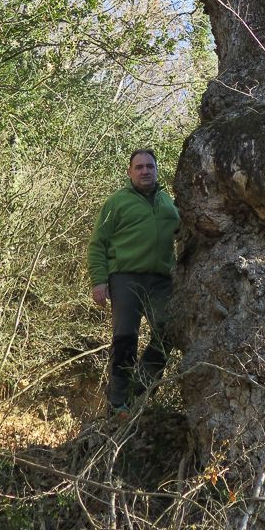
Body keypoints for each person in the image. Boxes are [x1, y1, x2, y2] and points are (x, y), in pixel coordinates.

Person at [88, 148, 180, 414]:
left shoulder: (168, 203)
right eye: (139, 167)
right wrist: (99, 281)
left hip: (161, 280)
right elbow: (98, 244)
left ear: (156, 170)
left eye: (150, 166)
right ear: (129, 172)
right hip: (125, 278)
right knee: (125, 339)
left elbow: (184, 230)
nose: (145, 171)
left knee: (169, 331)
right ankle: (118, 403)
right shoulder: (116, 202)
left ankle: (138, 389)